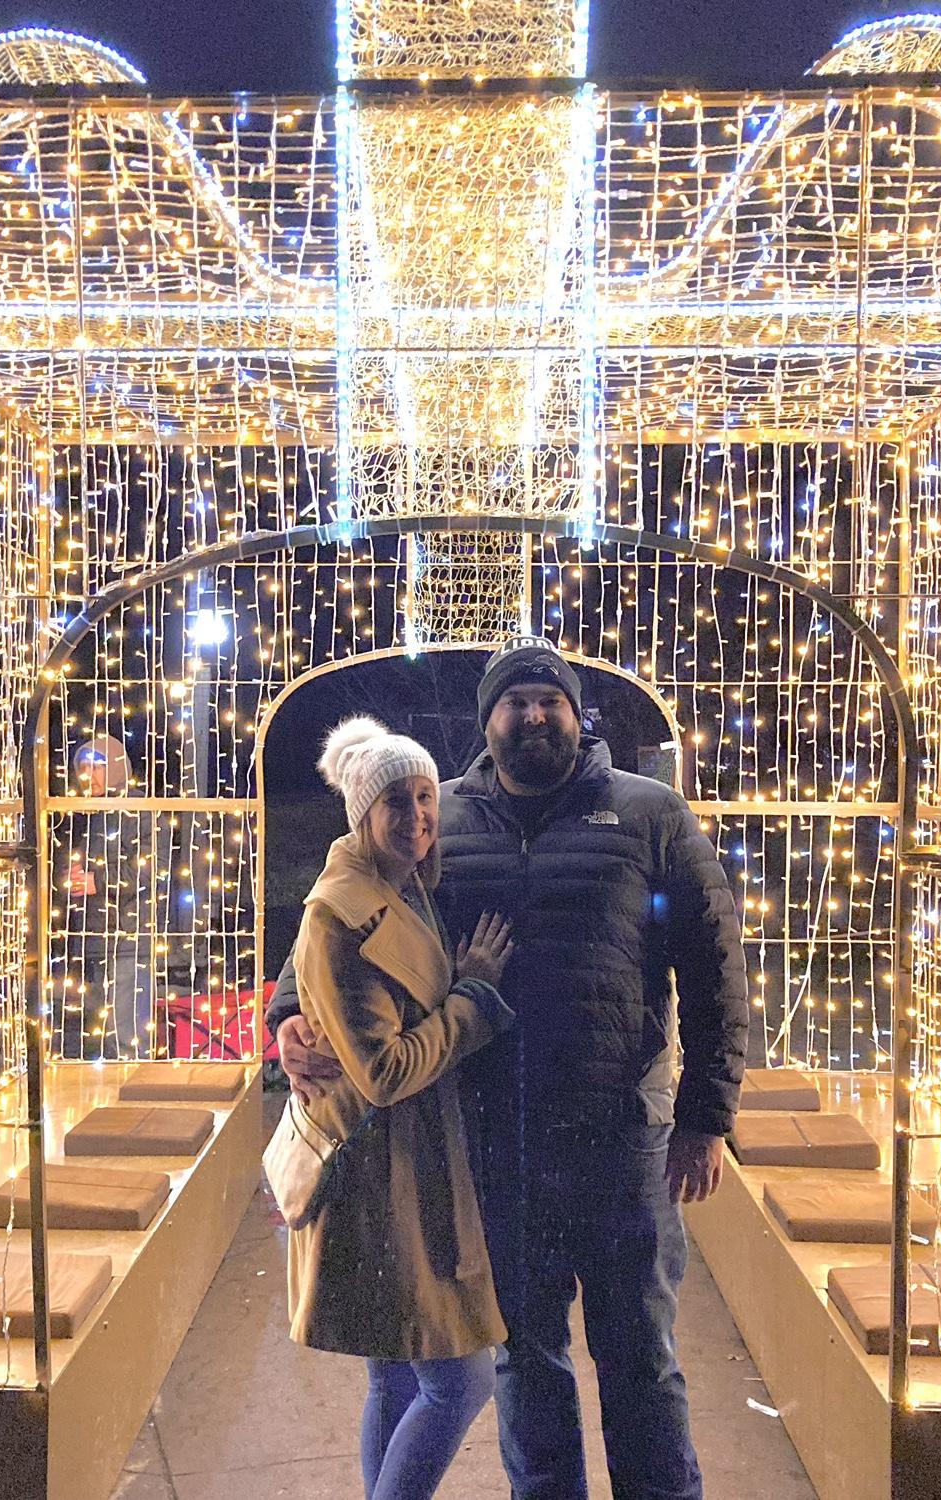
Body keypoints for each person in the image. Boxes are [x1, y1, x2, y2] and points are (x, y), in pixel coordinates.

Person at [270, 638, 748, 1500]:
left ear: (576, 715)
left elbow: (714, 968)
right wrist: (287, 1019)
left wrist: (707, 1119)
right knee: (526, 1361)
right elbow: (338, 920)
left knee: (641, 1358)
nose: (533, 716)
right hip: (493, 1144)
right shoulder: (432, 813)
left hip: (621, 1142)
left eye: (549, 701)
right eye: (514, 703)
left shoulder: (650, 814)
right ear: (486, 722)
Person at [285, 715, 517, 1500]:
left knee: (394, 1373)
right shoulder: (342, 913)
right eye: (397, 802)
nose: (419, 817)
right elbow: (383, 1070)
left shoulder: (400, 881)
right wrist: (474, 998)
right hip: (386, 1171)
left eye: (426, 798)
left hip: (411, 1157)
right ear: (362, 813)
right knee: (462, 1378)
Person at [57, 735, 163, 1059]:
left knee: (128, 1031)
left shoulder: (137, 809)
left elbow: (148, 869)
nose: (89, 774)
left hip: (128, 938)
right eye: (84, 766)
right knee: (104, 1029)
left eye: (97, 766)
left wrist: (98, 880)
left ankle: (138, 1100)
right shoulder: (84, 813)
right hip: (94, 937)